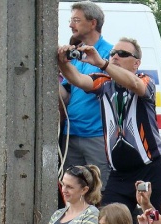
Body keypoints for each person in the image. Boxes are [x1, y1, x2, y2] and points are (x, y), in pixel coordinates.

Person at [57, 37, 161, 212]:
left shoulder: (145, 79)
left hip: (151, 168)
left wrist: (103, 63)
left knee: (156, 220)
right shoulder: (104, 82)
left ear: (136, 63)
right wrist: (62, 61)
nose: (115, 56)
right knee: (108, 220)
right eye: (112, 53)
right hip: (120, 173)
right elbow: (78, 79)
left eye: (123, 54)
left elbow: (135, 84)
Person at [59, 2, 112, 189]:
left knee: (98, 193)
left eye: (76, 20)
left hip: (96, 135)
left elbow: (88, 83)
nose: (70, 25)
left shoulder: (108, 53)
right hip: (72, 134)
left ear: (92, 23)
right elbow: (66, 96)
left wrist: (64, 66)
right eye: (71, 20)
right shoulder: (76, 54)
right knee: (71, 191)